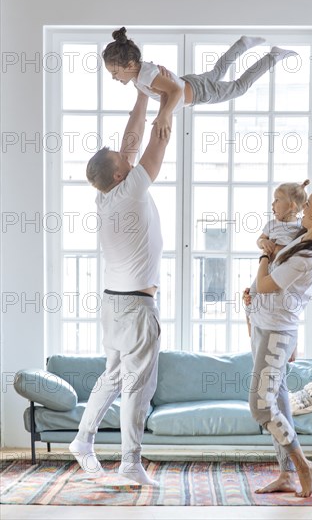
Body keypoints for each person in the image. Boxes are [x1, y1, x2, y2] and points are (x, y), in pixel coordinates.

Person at [69, 90, 172, 487]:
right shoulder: (130, 190)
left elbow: (128, 145)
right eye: (123, 162)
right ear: (118, 175)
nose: (129, 159)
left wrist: (143, 96)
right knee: (137, 386)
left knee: (112, 377)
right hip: (134, 307)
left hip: (114, 304)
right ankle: (130, 462)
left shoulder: (106, 195)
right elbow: (155, 143)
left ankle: (82, 439)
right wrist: (168, 103)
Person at [247, 183, 312, 497]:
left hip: (276, 332)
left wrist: (264, 254)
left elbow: (267, 284)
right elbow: (276, 276)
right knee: (277, 401)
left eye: (309, 205)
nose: (303, 208)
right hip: (266, 324)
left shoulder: (308, 256)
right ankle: (286, 473)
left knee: (261, 408)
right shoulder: (304, 239)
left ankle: (302, 463)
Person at [102, 27, 298, 138]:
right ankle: (243, 44)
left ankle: (273, 56)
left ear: (128, 65)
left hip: (198, 92)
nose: (114, 77)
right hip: (192, 83)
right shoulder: (139, 74)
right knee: (218, 71)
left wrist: (164, 115)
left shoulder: (144, 75)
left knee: (239, 87)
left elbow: (176, 92)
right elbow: (151, 90)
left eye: (114, 72)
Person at [243, 179, 310, 343]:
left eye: (277, 200)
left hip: (282, 274)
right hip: (267, 269)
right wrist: (263, 243)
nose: (273, 204)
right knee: (250, 296)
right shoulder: (272, 225)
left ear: (292, 206)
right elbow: (259, 240)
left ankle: (287, 339)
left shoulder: (300, 228)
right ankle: (251, 328)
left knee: (285, 307)